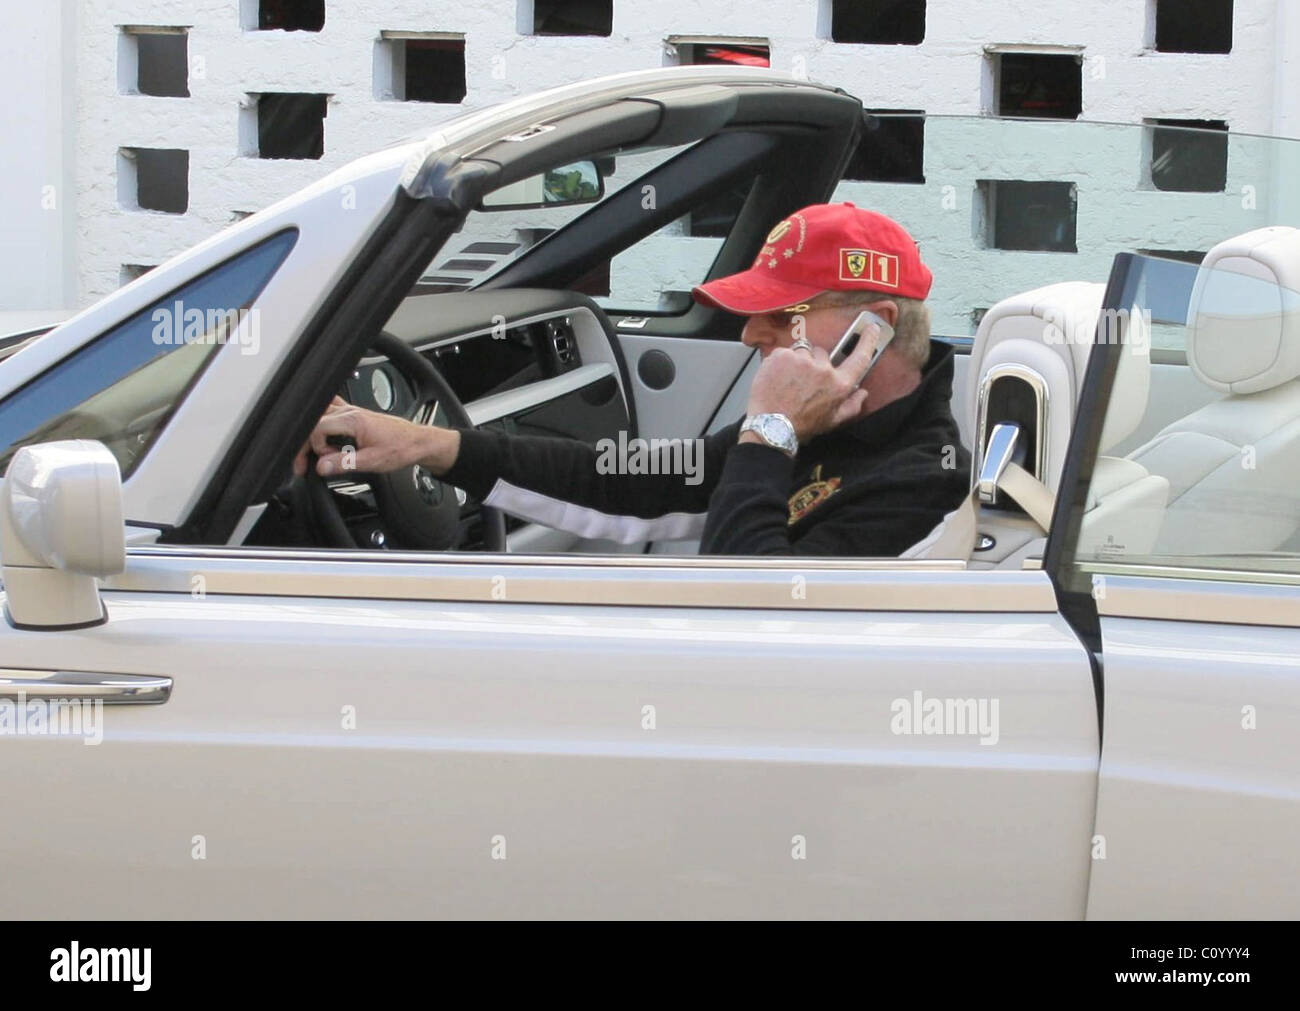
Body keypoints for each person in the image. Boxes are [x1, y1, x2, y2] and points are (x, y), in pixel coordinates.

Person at [295, 202, 970, 556]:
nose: (750, 334)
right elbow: (630, 482)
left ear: (875, 327)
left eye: (781, 315)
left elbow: (756, 621)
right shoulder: (825, 423)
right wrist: (430, 447)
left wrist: (769, 433)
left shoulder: (918, 481)